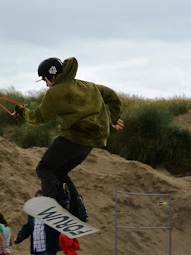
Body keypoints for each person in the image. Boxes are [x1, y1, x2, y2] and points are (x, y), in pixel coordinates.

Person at [14, 57, 124, 222]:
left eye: (45, 79)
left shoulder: (55, 92)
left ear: (52, 76)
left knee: (44, 169)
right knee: (59, 172)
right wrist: (114, 118)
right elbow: (112, 96)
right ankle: (78, 210)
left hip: (75, 137)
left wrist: (22, 111)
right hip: (92, 142)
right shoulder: (87, 85)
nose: (46, 84)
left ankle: (53, 206)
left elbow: (38, 118)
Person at [14, 190, 61, 255]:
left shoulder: (52, 213)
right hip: (36, 249)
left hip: (48, 249)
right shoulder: (32, 213)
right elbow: (28, 227)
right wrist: (20, 236)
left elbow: (60, 225)